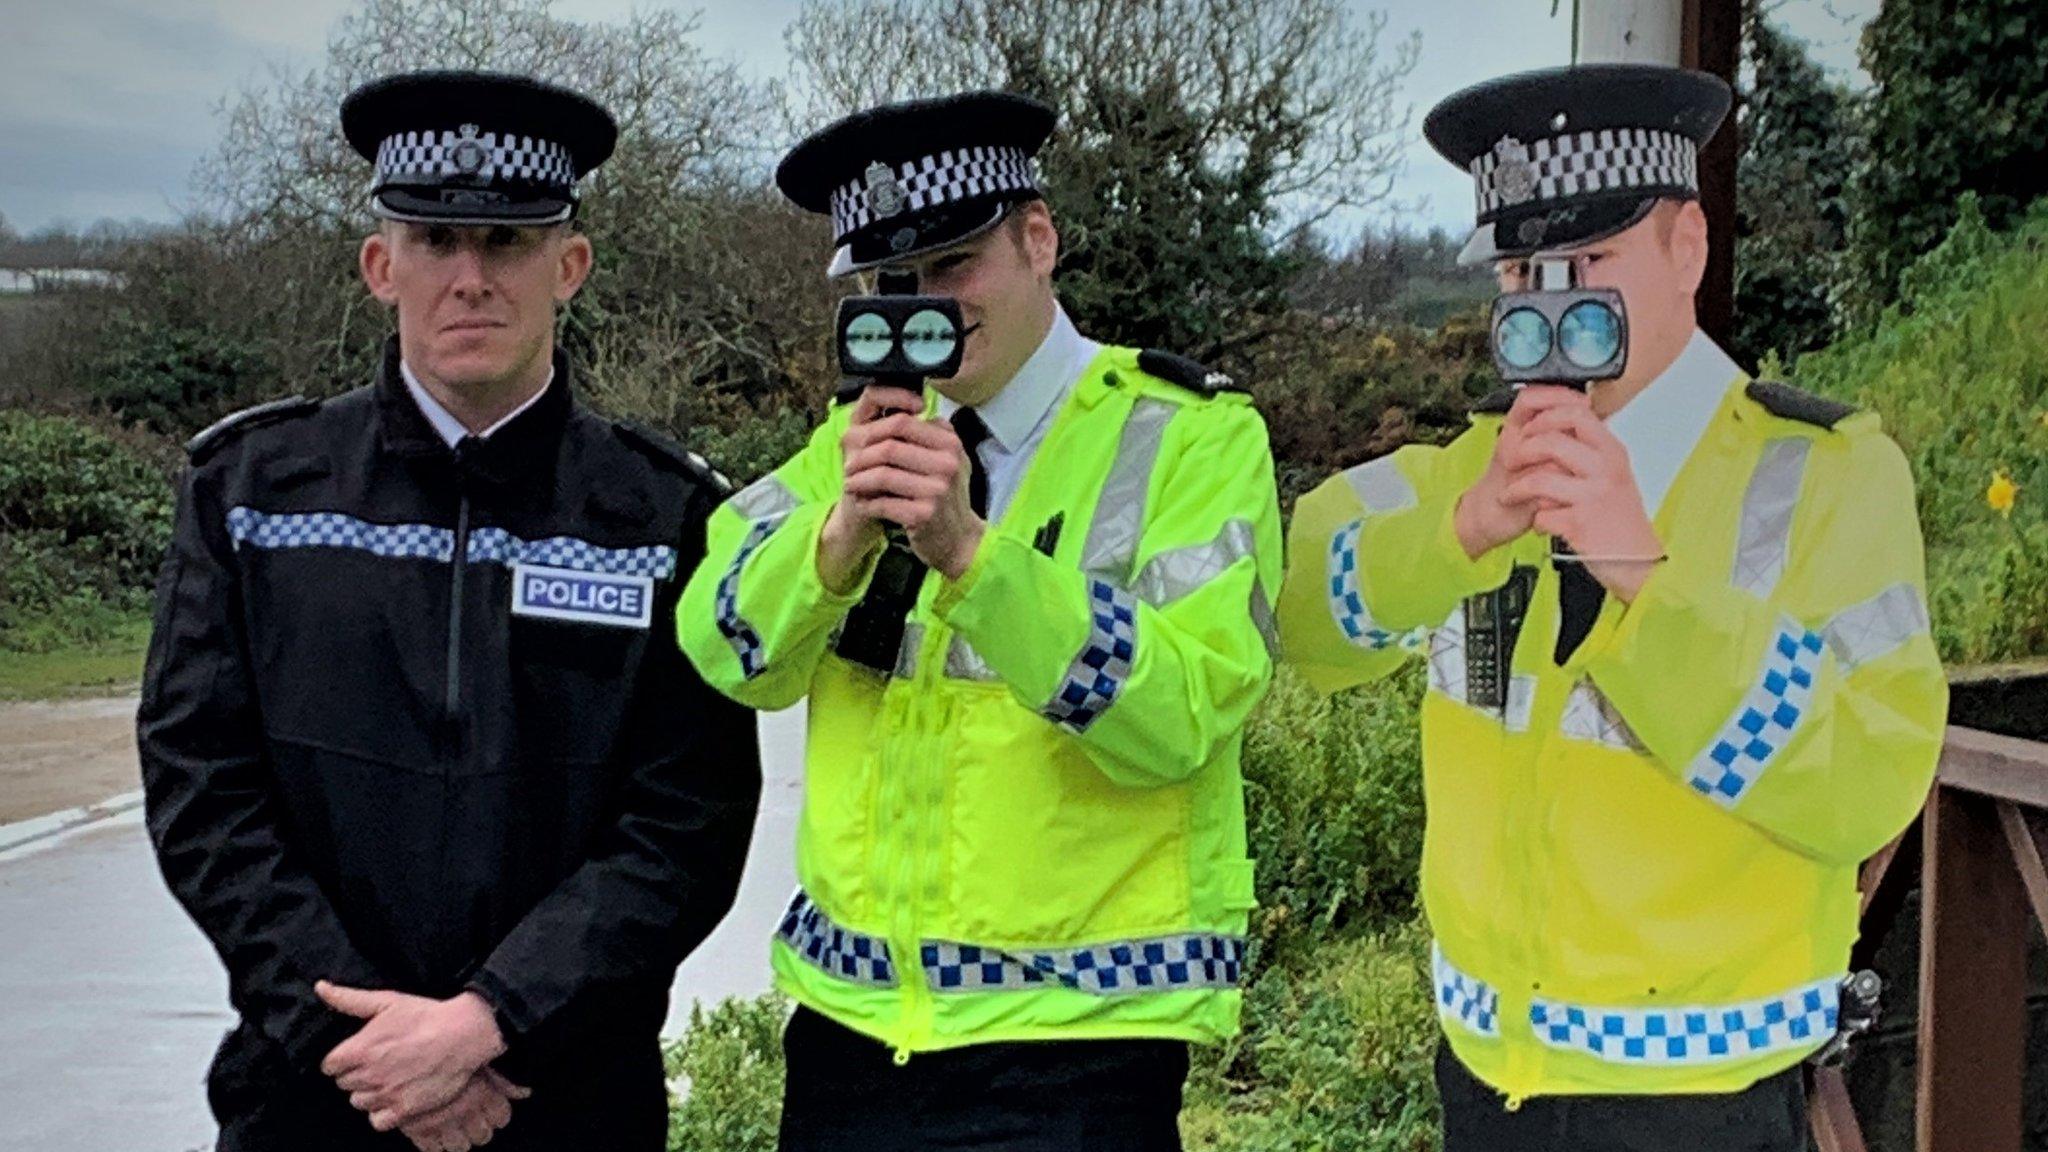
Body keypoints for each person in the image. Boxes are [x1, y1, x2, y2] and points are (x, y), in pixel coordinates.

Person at [1275, 64, 1947, 1152]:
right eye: (1520, 269)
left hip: (1705, 1104)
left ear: (1687, 246)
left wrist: (1644, 576)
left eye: (1589, 261)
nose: (1552, 300)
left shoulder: (1823, 477)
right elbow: (1305, 624)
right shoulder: (1471, 475)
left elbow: (1866, 788)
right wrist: (1460, 535)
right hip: (1484, 1086)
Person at [137, 69, 761, 1152]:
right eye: (435, 240)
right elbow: (202, 789)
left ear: (570, 266)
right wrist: (377, 1051)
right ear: (382, 266)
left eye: (508, 244)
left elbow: (683, 822)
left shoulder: (665, 517)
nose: (469, 278)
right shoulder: (250, 494)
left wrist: (494, 1021)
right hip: (312, 1096)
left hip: (564, 1104)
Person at [677, 90, 1282, 1151]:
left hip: (1078, 1046)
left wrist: (972, 556)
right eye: (890, 285)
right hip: (852, 1034)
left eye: (952, 267)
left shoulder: (1191, 438)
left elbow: (1186, 711)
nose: (927, 309)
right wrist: (832, 546)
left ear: (1037, 240)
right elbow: (721, 644)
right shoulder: (851, 446)